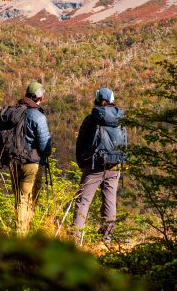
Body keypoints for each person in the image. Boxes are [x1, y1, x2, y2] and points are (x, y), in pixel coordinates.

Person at [72, 87, 126, 245]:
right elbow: (124, 143)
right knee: (110, 203)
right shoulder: (120, 119)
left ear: (99, 100)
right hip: (114, 166)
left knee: (83, 202)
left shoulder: (91, 119)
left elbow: (80, 143)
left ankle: (75, 242)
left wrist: (82, 164)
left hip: (93, 166)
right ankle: (105, 241)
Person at [9, 81, 52, 235]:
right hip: (31, 163)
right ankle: (22, 233)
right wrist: (46, 154)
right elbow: (44, 143)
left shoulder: (15, 111)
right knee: (27, 198)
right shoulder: (37, 116)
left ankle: (21, 231)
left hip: (13, 161)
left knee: (19, 198)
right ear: (41, 97)